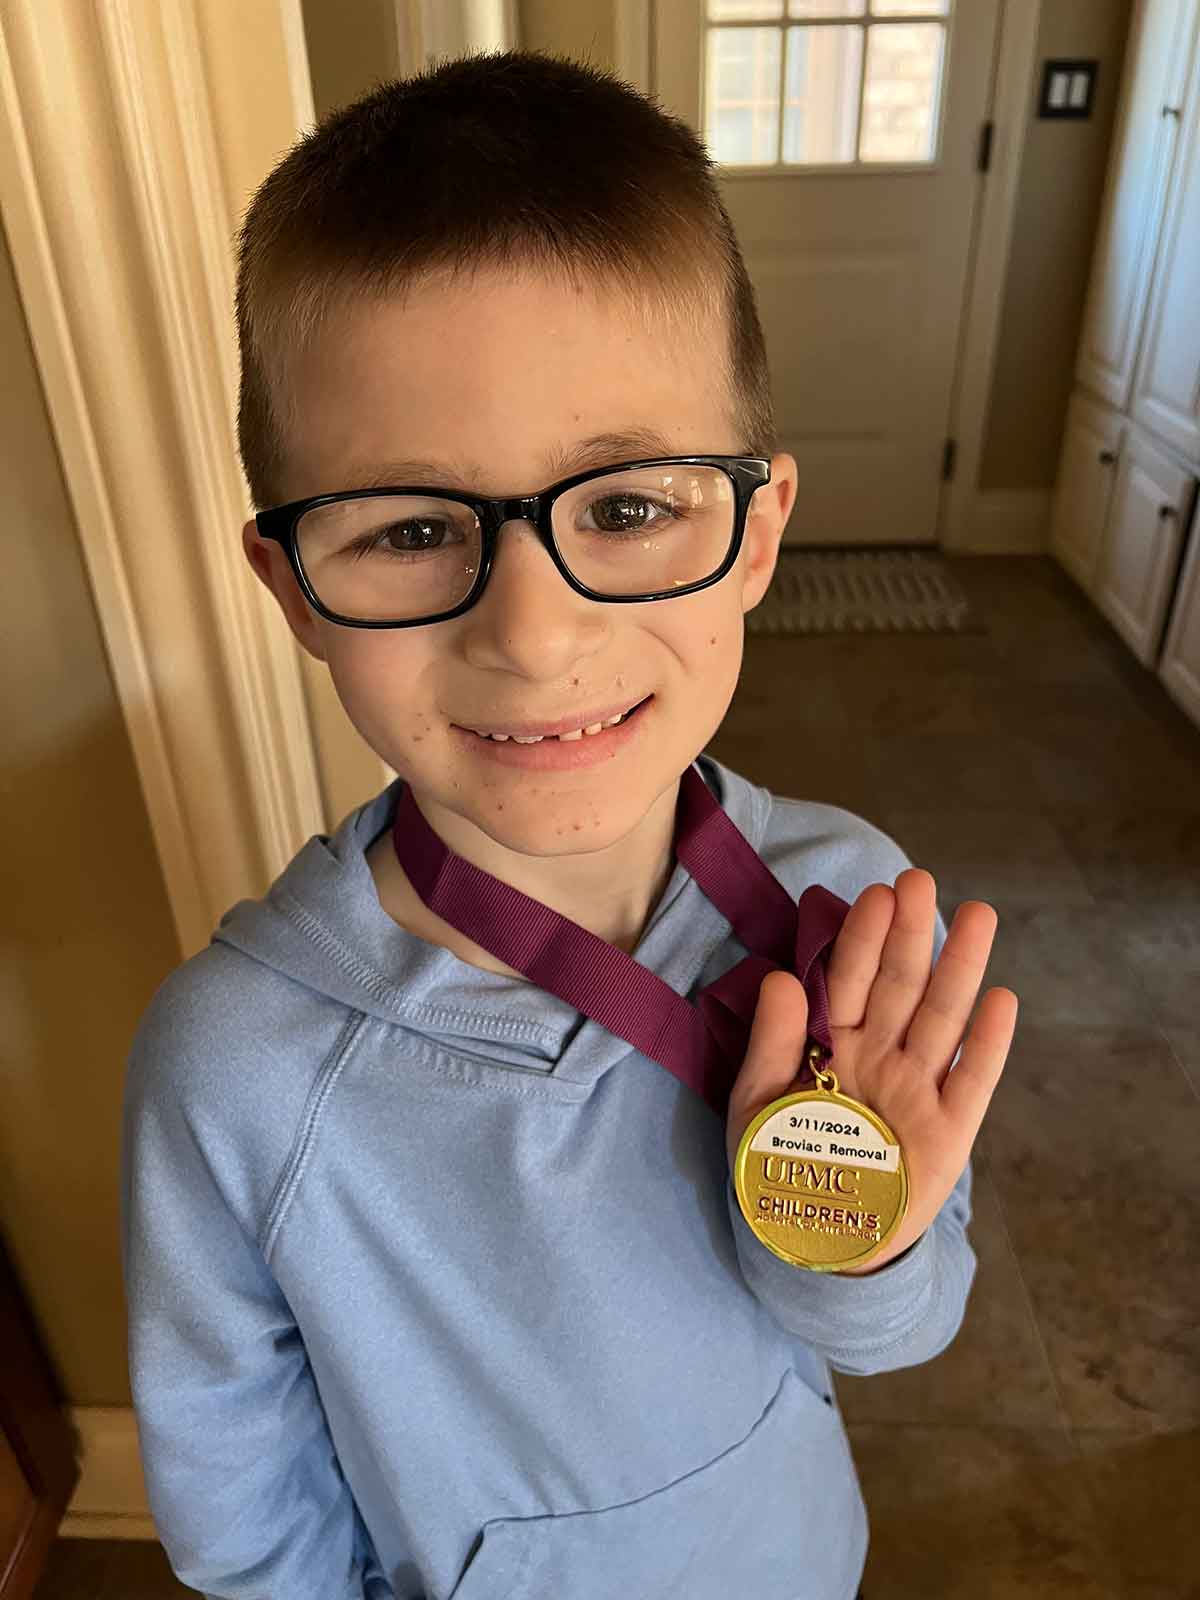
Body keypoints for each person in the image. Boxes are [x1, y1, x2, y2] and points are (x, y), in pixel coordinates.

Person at [119, 48, 1017, 1600]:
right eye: (410, 529)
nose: (534, 637)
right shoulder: (237, 1071)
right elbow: (236, 1503)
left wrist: (860, 1241)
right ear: (293, 595)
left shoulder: (850, 910)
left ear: (755, 537)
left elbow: (899, 1332)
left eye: (626, 506)